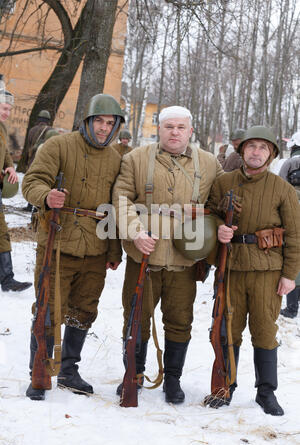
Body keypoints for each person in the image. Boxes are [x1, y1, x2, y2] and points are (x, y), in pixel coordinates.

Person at [112, 105, 223, 404]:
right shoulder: (135, 159)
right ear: (159, 129)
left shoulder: (210, 164)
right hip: (143, 258)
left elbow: (223, 204)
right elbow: (121, 199)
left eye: (180, 127)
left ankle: (172, 379)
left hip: (185, 261)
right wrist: (135, 232)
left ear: (190, 131)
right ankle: (133, 375)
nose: (175, 132)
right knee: (136, 317)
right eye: (168, 127)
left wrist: (212, 224)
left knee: (179, 321)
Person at [22, 93, 125, 401]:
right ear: (87, 121)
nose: (104, 129)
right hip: (57, 241)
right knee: (49, 308)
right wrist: (47, 196)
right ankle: (39, 370)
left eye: (110, 123)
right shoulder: (58, 146)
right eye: (99, 121)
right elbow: (31, 182)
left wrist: (113, 250)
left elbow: (115, 208)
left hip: (95, 248)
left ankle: (69, 370)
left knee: (84, 311)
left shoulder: (116, 159)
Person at [206, 125, 300, 416]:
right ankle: (225, 387)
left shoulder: (282, 188)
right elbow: (208, 216)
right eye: (251, 147)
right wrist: (217, 229)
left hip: (267, 272)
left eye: (262, 147)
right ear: (242, 150)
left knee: (264, 331)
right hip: (230, 268)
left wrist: (289, 276)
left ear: (271, 153)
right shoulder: (223, 183)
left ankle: (266, 392)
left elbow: (295, 235)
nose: (256, 152)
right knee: (227, 330)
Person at [0, 87, 32, 292]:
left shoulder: (2, 128)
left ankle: (7, 279)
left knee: (1, 231)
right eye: (4, 108)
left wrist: (9, 165)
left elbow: (5, 152)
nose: (7, 112)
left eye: (9, 109)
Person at [278, 131, 300, 318]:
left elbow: (280, 188)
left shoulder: (289, 163)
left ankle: (292, 308)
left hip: (293, 215)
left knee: (294, 258)